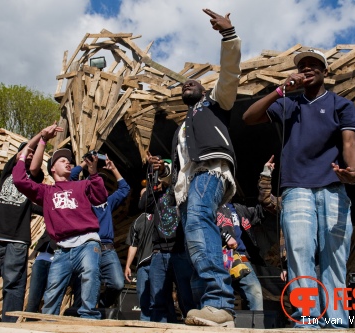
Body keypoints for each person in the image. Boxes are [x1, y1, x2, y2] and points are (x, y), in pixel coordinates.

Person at [243, 49, 355, 328]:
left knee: (333, 255)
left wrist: (354, 172)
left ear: (325, 71)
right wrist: (280, 90)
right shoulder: (289, 104)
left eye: (314, 65)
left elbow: (349, 143)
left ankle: (336, 321)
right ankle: (307, 318)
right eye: (302, 65)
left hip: (332, 188)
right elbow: (249, 116)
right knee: (299, 252)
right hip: (296, 188)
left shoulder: (341, 104)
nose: (307, 69)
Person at [156, 8, 241, 328]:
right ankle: (212, 307)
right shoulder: (182, 127)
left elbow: (231, 74)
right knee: (195, 236)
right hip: (190, 182)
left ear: (204, 91)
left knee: (197, 226)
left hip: (212, 171)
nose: (188, 84)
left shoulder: (215, 105)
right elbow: (179, 169)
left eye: (194, 82)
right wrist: (164, 174)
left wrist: (228, 34)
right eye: (184, 85)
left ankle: (219, 301)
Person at [0, 122, 62, 322]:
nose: (29, 154)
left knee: (13, 283)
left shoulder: (32, 180)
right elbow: (26, 148)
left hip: (17, 240)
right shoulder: (9, 172)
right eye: (27, 152)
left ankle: (10, 323)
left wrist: (44, 141)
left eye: (32, 153)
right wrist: (39, 135)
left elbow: (35, 165)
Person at [12, 147, 108, 319]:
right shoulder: (46, 192)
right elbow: (19, 181)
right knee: (52, 291)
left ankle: (88, 319)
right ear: (53, 169)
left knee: (90, 273)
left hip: (87, 243)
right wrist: (22, 157)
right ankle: (48, 322)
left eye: (69, 161)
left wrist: (93, 173)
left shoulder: (82, 184)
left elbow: (101, 198)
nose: (68, 162)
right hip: (62, 249)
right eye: (62, 160)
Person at [141, 154, 196, 322]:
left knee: (186, 296)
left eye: (163, 167)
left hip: (179, 251)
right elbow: (143, 205)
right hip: (159, 253)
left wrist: (166, 172)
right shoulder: (157, 194)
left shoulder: (180, 190)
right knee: (158, 299)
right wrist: (152, 179)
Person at [70, 157, 130, 308]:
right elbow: (71, 177)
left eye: (102, 182)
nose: (100, 184)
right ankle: (85, 315)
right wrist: (86, 162)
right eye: (97, 180)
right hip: (88, 248)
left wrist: (114, 169)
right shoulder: (82, 200)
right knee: (90, 285)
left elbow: (125, 189)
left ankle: (102, 306)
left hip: (107, 249)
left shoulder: (108, 202)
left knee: (117, 283)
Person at [216, 202, 264, 311]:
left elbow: (260, 213)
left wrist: (266, 200)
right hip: (220, 256)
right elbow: (205, 222)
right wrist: (226, 236)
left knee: (254, 291)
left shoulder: (239, 208)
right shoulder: (210, 203)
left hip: (241, 257)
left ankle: (255, 325)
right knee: (222, 294)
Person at [124, 192, 154, 321]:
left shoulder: (161, 212)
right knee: (143, 299)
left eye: (147, 194)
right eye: (142, 195)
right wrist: (128, 265)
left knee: (159, 299)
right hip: (142, 264)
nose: (145, 197)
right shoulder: (138, 220)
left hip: (158, 261)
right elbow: (133, 244)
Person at [25, 231, 57, 315]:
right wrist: (34, 254)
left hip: (56, 262)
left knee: (50, 297)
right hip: (40, 260)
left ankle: (47, 322)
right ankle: (29, 320)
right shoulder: (51, 222)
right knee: (33, 297)